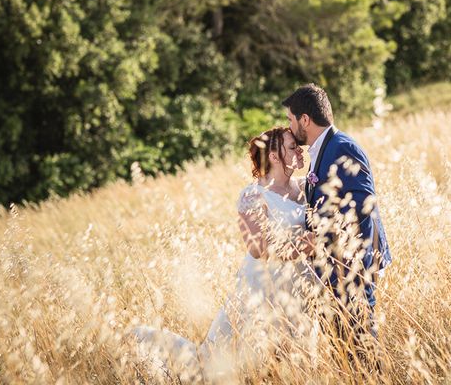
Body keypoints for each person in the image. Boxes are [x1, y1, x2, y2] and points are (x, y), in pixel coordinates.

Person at [132, 127, 315, 381]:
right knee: (214, 361)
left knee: (290, 358)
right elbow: (258, 247)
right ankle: (146, 342)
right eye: (293, 146)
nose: (300, 150)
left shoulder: (306, 187)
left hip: (299, 288)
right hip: (260, 289)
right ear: (274, 156)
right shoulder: (254, 195)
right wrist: (309, 244)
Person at [282, 84, 392, 360]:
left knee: (360, 342)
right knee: (343, 345)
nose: (290, 125)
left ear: (304, 119)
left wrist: (319, 235)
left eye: (291, 119)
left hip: (353, 262)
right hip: (334, 265)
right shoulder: (321, 150)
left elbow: (363, 203)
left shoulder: (342, 147)